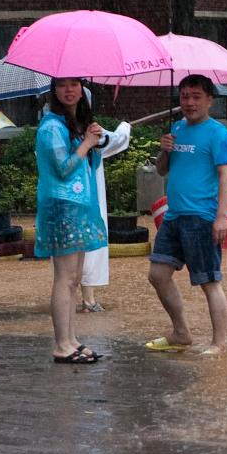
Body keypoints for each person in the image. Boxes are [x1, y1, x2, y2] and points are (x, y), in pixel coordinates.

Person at [145, 75, 227, 356]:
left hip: (202, 217)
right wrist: (164, 150)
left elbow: (225, 176)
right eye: (184, 96)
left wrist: (221, 217)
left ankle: (219, 343)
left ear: (209, 100)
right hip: (173, 216)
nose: (190, 102)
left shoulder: (218, 133)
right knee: (158, 274)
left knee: (209, 282)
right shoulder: (176, 129)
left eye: (196, 96)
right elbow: (161, 170)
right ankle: (181, 332)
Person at [35, 78, 107, 363]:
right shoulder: (51, 127)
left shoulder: (75, 125)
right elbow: (64, 169)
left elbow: (90, 165)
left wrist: (95, 144)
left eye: (74, 84)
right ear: (54, 92)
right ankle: (61, 344)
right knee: (64, 278)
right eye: (62, 85)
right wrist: (86, 143)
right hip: (62, 208)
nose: (69, 90)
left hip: (80, 207)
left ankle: (72, 339)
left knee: (75, 279)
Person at [80, 109, 131, 313]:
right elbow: (117, 139)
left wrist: (124, 127)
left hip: (87, 202)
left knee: (89, 248)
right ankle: (86, 300)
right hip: (76, 201)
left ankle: (88, 299)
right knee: (82, 249)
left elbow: (113, 139)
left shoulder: (96, 137)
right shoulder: (57, 132)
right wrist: (124, 126)